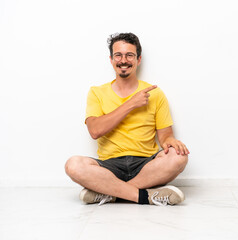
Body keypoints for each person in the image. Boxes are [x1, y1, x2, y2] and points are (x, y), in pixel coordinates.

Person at [65, 32, 189, 206]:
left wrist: (171, 141)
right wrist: (131, 103)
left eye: (129, 55)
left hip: (145, 164)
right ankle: (145, 196)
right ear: (111, 59)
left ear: (138, 60)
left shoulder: (155, 93)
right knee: (73, 165)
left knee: (179, 156)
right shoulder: (97, 92)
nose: (124, 60)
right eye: (118, 55)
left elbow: (165, 136)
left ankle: (109, 193)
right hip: (109, 166)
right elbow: (95, 130)